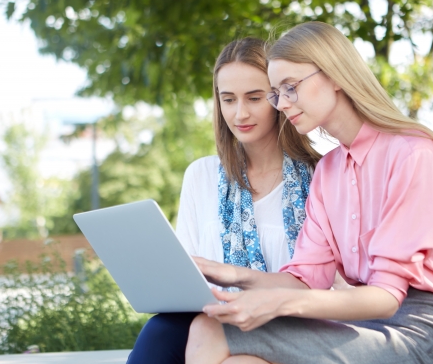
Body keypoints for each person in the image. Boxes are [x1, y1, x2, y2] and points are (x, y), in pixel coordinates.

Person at [185, 22, 433, 364]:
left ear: (336, 75)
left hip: (416, 334)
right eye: (276, 92)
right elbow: (306, 279)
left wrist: (276, 304)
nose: (281, 104)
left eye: (291, 87)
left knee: (210, 331)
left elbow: (387, 296)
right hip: (362, 326)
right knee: (226, 345)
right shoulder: (329, 171)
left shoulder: (412, 154)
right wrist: (233, 276)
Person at [125, 37, 321, 363]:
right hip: (215, 315)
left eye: (254, 98)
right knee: (160, 332)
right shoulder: (201, 175)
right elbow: (185, 270)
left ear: (279, 97)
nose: (240, 113)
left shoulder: (319, 177)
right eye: (228, 99)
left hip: (291, 323)